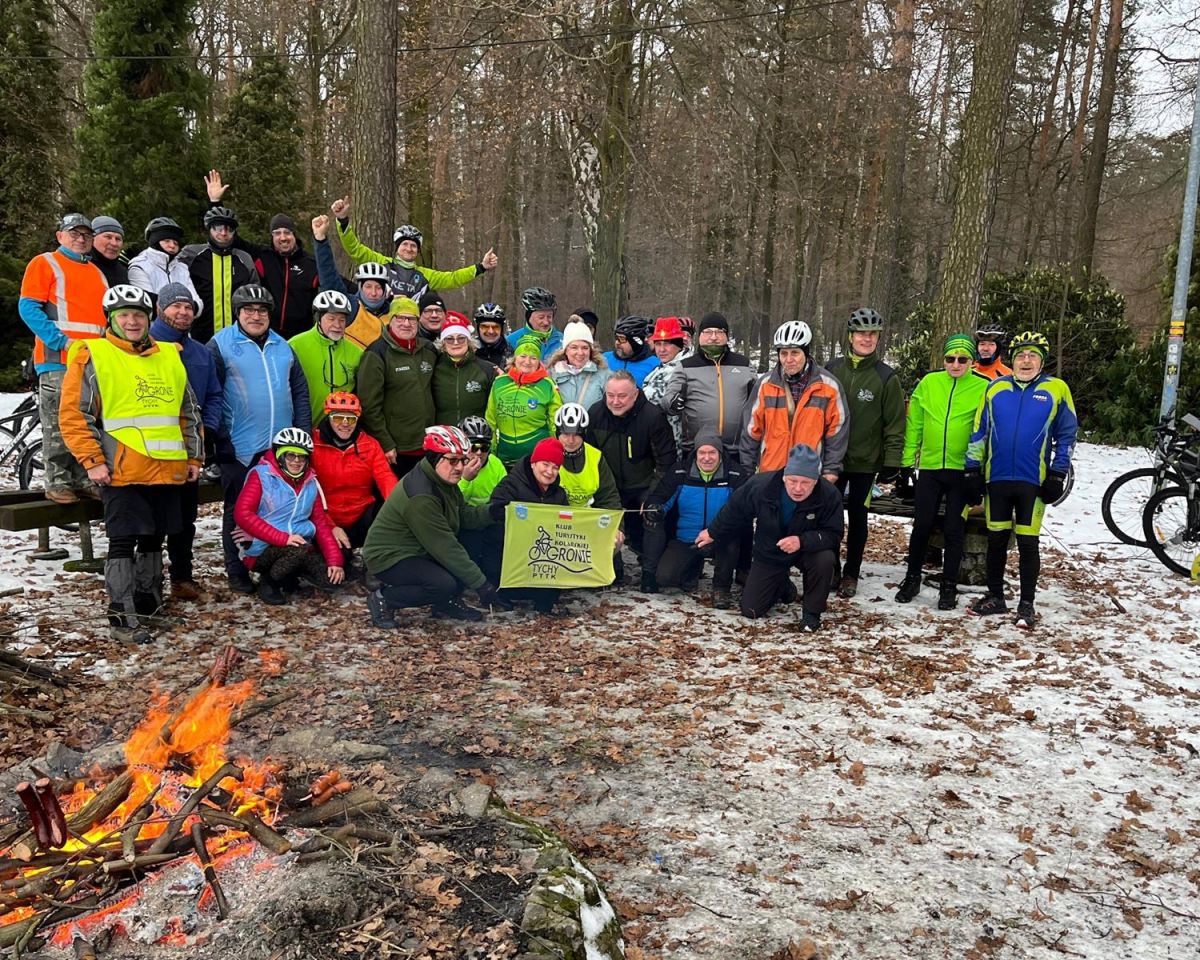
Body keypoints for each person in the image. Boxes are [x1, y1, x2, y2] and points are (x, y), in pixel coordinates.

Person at [59, 285, 203, 643]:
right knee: (122, 541)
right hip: (120, 469)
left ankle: (149, 605)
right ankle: (122, 616)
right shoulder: (93, 355)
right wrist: (92, 461)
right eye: (123, 315)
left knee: (155, 538)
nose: (132, 321)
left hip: (166, 467)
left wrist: (194, 455)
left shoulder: (169, 355)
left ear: (149, 318)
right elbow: (74, 415)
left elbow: (188, 412)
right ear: (111, 319)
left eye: (138, 315)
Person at [965, 331, 1077, 628]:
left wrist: (1058, 473)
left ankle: (1026, 604)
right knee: (996, 539)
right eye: (1021, 356)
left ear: (1041, 361)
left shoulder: (1056, 389)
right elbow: (979, 430)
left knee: (1028, 542)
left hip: (1033, 480)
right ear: (1012, 360)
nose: (1026, 361)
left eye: (1032, 356)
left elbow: (1067, 435)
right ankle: (995, 596)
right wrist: (972, 469)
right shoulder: (995, 388)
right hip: (997, 478)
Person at [208, 284, 312, 593]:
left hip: (280, 447)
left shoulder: (283, 346)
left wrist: (303, 433)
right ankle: (236, 569)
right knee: (238, 510)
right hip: (239, 446)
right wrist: (220, 439)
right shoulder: (220, 344)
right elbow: (212, 394)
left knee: (278, 509)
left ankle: (273, 569)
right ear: (237, 313)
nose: (256, 316)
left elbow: (300, 392)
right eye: (249, 310)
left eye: (262, 310)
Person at [363, 425, 501, 626]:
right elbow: (444, 547)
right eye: (452, 460)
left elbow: (462, 515)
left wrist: (492, 512)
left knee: (470, 539)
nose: (460, 467)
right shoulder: (422, 496)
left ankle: (445, 603)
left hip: (419, 548)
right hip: (390, 555)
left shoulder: (442, 479)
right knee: (441, 584)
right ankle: (385, 599)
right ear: (435, 458)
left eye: (463, 460)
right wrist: (482, 585)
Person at [699, 444, 842, 631]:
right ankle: (782, 585)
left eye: (805, 482)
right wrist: (712, 532)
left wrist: (802, 541)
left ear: (816, 481)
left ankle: (811, 614)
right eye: (793, 481)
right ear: (784, 477)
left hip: (807, 550)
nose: (798, 488)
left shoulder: (829, 494)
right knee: (751, 609)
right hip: (770, 549)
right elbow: (734, 510)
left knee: (825, 559)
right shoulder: (761, 486)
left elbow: (834, 534)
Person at [896, 333, 991, 610]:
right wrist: (906, 464)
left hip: (962, 472)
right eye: (950, 359)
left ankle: (949, 586)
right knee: (922, 525)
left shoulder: (983, 387)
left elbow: (987, 431)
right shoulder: (929, 383)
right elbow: (915, 424)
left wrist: (980, 473)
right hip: (930, 468)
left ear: (972, 361)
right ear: (944, 359)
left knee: (954, 529)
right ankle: (912, 578)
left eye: (962, 359)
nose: (956, 364)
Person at [19, 212, 109, 503]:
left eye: (86, 234)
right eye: (74, 233)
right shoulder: (45, 263)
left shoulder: (96, 272)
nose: (80, 239)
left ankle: (82, 479)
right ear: (60, 236)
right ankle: (57, 481)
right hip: (57, 359)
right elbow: (28, 308)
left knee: (86, 422)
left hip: (93, 362)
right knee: (58, 423)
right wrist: (60, 341)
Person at [148, 283, 224, 602]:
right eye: (175, 306)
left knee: (184, 519)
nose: (182, 312)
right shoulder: (144, 345)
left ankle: (182, 579)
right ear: (160, 309)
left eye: (188, 307)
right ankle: (147, 585)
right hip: (149, 450)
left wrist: (207, 429)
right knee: (150, 522)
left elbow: (215, 394)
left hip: (189, 450)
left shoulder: (201, 353)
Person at [825, 308, 905, 598]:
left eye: (872, 334)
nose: (866, 339)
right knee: (830, 516)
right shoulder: (832, 370)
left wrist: (892, 461)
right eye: (861, 333)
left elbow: (894, 424)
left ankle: (851, 573)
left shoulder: (886, 377)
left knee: (858, 518)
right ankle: (831, 567)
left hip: (866, 462)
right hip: (832, 459)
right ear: (850, 337)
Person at [234, 427, 344, 605]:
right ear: (279, 455)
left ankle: (289, 576)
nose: (297, 461)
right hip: (262, 547)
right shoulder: (261, 475)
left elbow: (320, 524)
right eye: (290, 455)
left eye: (302, 456)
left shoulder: (310, 482)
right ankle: (269, 582)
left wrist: (335, 561)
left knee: (331, 581)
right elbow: (242, 514)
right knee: (297, 550)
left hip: (298, 543)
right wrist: (282, 538)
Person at [205, 172, 320, 335]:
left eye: (287, 232)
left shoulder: (310, 263)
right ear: (272, 237)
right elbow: (230, 237)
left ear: (295, 235)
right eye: (277, 233)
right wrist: (215, 202)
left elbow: (335, 281)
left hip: (301, 335)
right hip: (266, 333)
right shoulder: (263, 255)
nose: (283, 238)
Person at [642, 432, 747, 607]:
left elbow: (741, 510)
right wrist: (655, 509)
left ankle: (721, 587)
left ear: (720, 453)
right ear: (695, 453)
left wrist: (715, 532)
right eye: (702, 453)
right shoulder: (680, 471)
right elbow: (661, 497)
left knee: (731, 544)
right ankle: (692, 570)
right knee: (665, 578)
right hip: (687, 537)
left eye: (712, 452)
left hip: (720, 536)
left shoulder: (735, 473)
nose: (707, 458)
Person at [586, 371, 677, 566]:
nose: (615, 402)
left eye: (622, 396)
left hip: (643, 485)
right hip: (609, 485)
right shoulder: (595, 414)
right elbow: (589, 458)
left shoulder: (652, 417)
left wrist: (653, 495)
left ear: (635, 394)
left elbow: (666, 462)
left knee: (654, 513)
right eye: (610, 395)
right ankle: (609, 567)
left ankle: (651, 570)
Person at [329, 195, 498, 301]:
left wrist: (481, 267)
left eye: (413, 246)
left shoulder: (425, 275)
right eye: (404, 244)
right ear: (397, 247)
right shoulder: (382, 262)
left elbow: (453, 278)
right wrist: (342, 221)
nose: (409, 248)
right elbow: (355, 249)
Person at [742, 320, 848, 479]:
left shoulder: (828, 386)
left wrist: (831, 470)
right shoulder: (765, 385)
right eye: (783, 353)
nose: (789, 359)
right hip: (770, 471)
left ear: (806, 353)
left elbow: (837, 433)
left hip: (808, 474)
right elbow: (751, 430)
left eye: (795, 353)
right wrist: (747, 469)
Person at [310, 392, 395, 569]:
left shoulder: (369, 444)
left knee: (389, 507)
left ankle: (375, 557)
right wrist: (329, 525)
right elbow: (308, 491)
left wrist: (400, 507)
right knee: (341, 560)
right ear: (328, 417)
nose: (345, 424)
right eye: (338, 418)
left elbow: (386, 478)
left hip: (362, 514)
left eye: (351, 419)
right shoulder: (313, 444)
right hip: (328, 517)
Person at [487, 437, 571, 615]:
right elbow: (494, 511)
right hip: (510, 554)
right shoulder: (510, 484)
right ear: (533, 463)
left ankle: (544, 601)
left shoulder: (559, 494)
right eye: (545, 464)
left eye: (555, 467)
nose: (549, 471)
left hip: (542, 554)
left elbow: (566, 526)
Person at [356, 296, 438, 477]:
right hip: (397, 449)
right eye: (400, 318)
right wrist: (385, 443)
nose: (406, 324)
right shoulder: (377, 353)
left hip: (427, 443)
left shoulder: (428, 350)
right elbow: (369, 405)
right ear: (390, 320)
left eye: (412, 319)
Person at [663, 312, 756, 456]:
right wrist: (673, 402)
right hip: (698, 450)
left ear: (727, 336)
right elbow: (667, 400)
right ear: (700, 336)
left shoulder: (744, 365)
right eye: (708, 332)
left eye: (719, 332)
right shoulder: (686, 366)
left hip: (737, 449)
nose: (713, 337)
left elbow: (759, 400)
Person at [311, 215, 391, 349]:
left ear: (384, 290)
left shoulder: (393, 313)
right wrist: (320, 240)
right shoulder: (350, 305)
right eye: (368, 287)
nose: (373, 293)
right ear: (360, 287)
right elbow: (329, 275)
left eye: (378, 287)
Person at [180, 205, 257, 342]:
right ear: (209, 228)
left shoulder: (244, 258)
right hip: (197, 337)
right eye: (218, 227)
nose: (224, 233)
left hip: (237, 338)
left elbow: (255, 297)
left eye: (229, 229)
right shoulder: (191, 254)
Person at [288, 290, 362, 423]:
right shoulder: (295, 345)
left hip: (341, 427)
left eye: (342, 320)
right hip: (305, 424)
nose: (337, 325)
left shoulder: (357, 352)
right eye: (331, 319)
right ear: (318, 318)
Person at [486, 336, 562, 466]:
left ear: (539, 361)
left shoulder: (547, 385)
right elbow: (490, 420)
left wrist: (555, 453)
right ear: (515, 358)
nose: (527, 362)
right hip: (504, 457)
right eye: (523, 356)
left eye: (533, 358)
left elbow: (555, 423)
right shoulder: (500, 382)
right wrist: (490, 453)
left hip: (537, 460)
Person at [433, 312, 496, 424]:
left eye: (461, 338)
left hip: (477, 432)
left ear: (468, 341)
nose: (456, 343)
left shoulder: (487, 369)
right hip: (443, 431)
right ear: (443, 344)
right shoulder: (434, 368)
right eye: (449, 339)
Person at [128, 217, 203, 311]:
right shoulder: (140, 266)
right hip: (154, 320)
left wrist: (187, 310)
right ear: (155, 242)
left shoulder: (182, 268)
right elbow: (146, 302)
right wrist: (185, 307)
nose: (172, 246)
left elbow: (197, 302)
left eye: (175, 243)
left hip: (183, 319)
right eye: (167, 241)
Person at [555, 403, 620, 509]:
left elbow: (609, 497)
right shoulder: (545, 453)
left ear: (584, 434)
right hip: (555, 514)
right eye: (566, 434)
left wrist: (615, 518)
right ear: (557, 434)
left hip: (586, 515)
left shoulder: (596, 456)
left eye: (576, 434)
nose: (571, 441)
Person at [642, 316, 690, 449]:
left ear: (679, 345)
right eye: (658, 344)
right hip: (660, 439)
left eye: (667, 344)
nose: (662, 349)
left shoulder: (680, 370)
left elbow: (645, 402)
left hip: (673, 444)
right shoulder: (664, 366)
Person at [547, 319, 611, 410]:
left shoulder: (604, 375)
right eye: (574, 347)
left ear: (591, 350)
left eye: (585, 348)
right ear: (565, 350)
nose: (580, 353)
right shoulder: (551, 374)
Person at [505, 286, 563, 362]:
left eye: (549, 317)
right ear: (529, 317)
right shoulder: (511, 341)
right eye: (541, 317)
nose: (546, 322)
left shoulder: (563, 340)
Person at [603, 316, 660, 387]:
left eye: (622, 339)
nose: (617, 342)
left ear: (635, 342)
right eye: (616, 338)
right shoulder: (604, 359)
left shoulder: (655, 365)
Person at [89, 216, 129, 286]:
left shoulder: (125, 272)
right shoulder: (81, 266)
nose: (114, 243)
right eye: (108, 237)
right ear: (92, 238)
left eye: (118, 239)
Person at [473, 302, 512, 367]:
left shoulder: (511, 353)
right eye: (485, 327)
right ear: (478, 329)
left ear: (501, 329)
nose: (491, 331)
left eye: (495, 327)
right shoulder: (468, 352)